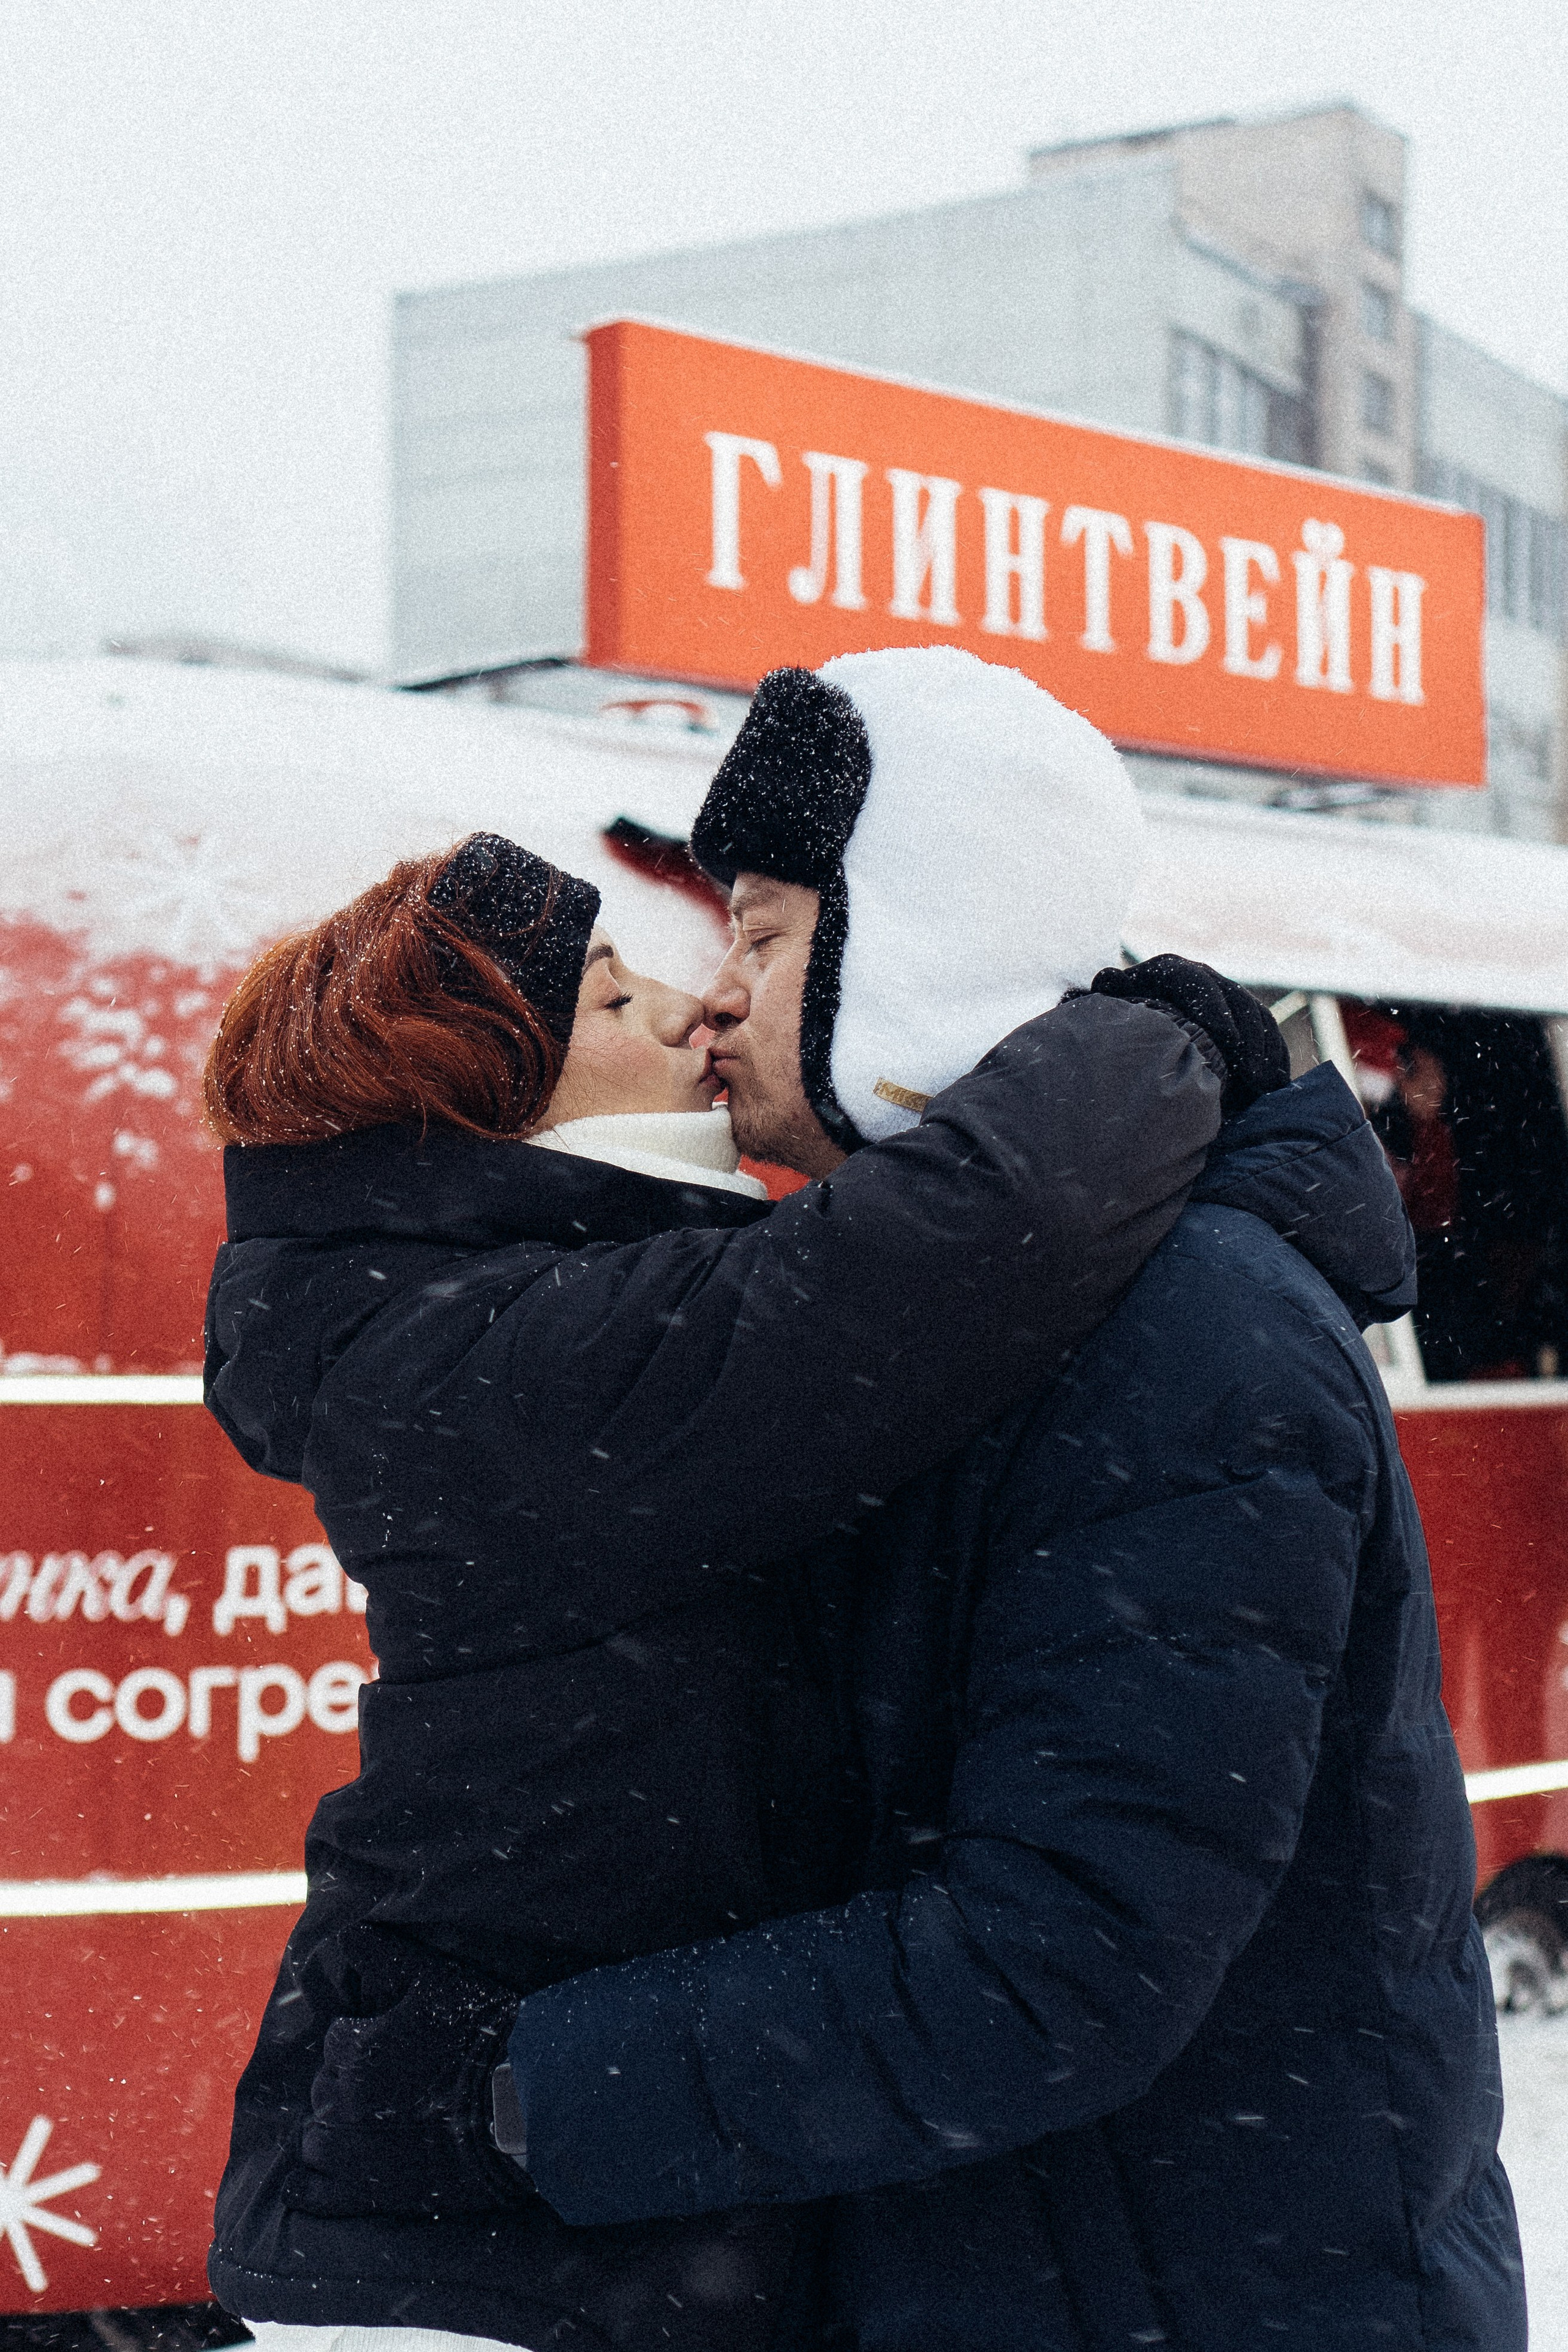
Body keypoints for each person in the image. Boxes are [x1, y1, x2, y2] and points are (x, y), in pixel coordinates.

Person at [300, 649, 1526, 2352]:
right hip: (1052, 2264)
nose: (714, 1000)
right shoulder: (954, 1322)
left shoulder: (1188, 1331)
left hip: (1197, 2291)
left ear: (918, 954)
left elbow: (1064, 1955)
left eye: (763, 937)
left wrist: (527, 2088)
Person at [202, 745, 1255, 2349]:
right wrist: (1152, 1031)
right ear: (497, 1114)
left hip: (542, 2176)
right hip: (473, 2232)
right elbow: (975, 1240)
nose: (697, 1009)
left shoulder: (479, 1321)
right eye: (615, 1003)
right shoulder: (502, 1359)